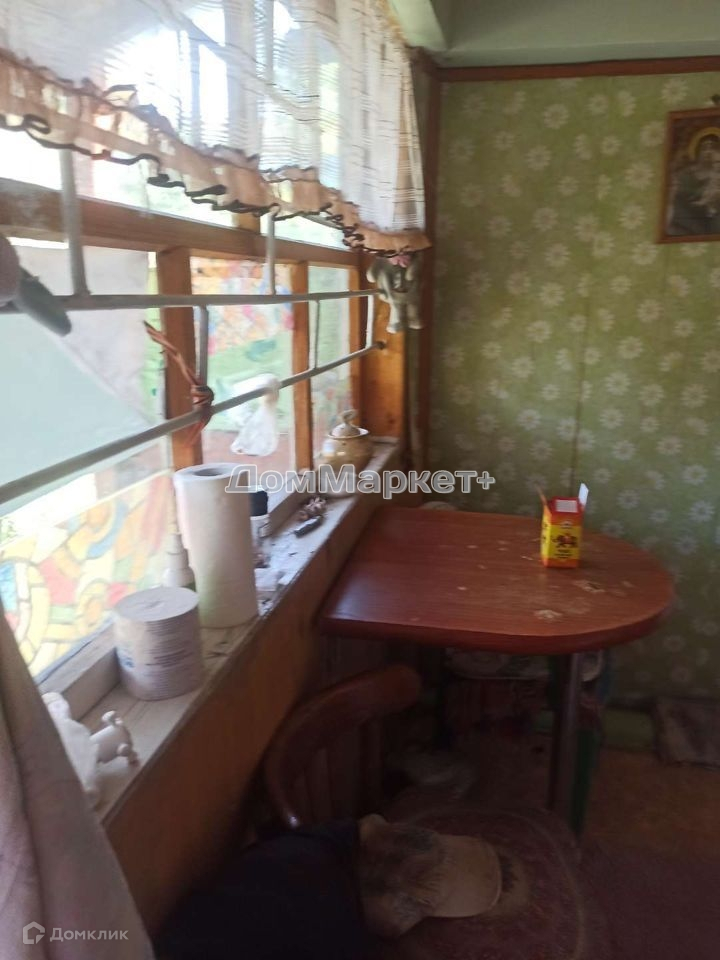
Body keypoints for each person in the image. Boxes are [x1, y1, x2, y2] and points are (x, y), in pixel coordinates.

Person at [667, 128, 720, 237]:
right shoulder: (685, 174)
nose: (709, 152)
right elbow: (679, 196)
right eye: (704, 148)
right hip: (688, 218)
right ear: (697, 151)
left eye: (714, 148)